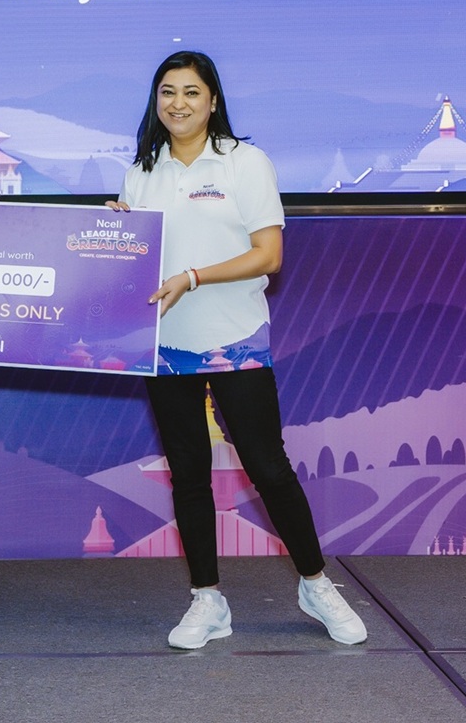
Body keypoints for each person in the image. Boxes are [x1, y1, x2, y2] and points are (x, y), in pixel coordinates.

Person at [109, 51, 368, 650]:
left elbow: (268, 256)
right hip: (164, 343)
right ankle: (207, 599)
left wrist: (193, 277)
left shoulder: (244, 163)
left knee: (267, 466)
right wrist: (116, 232)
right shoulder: (142, 172)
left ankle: (316, 584)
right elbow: (137, 259)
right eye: (167, 92)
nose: (178, 103)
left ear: (213, 101)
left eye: (191, 92)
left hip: (235, 339)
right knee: (188, 474)